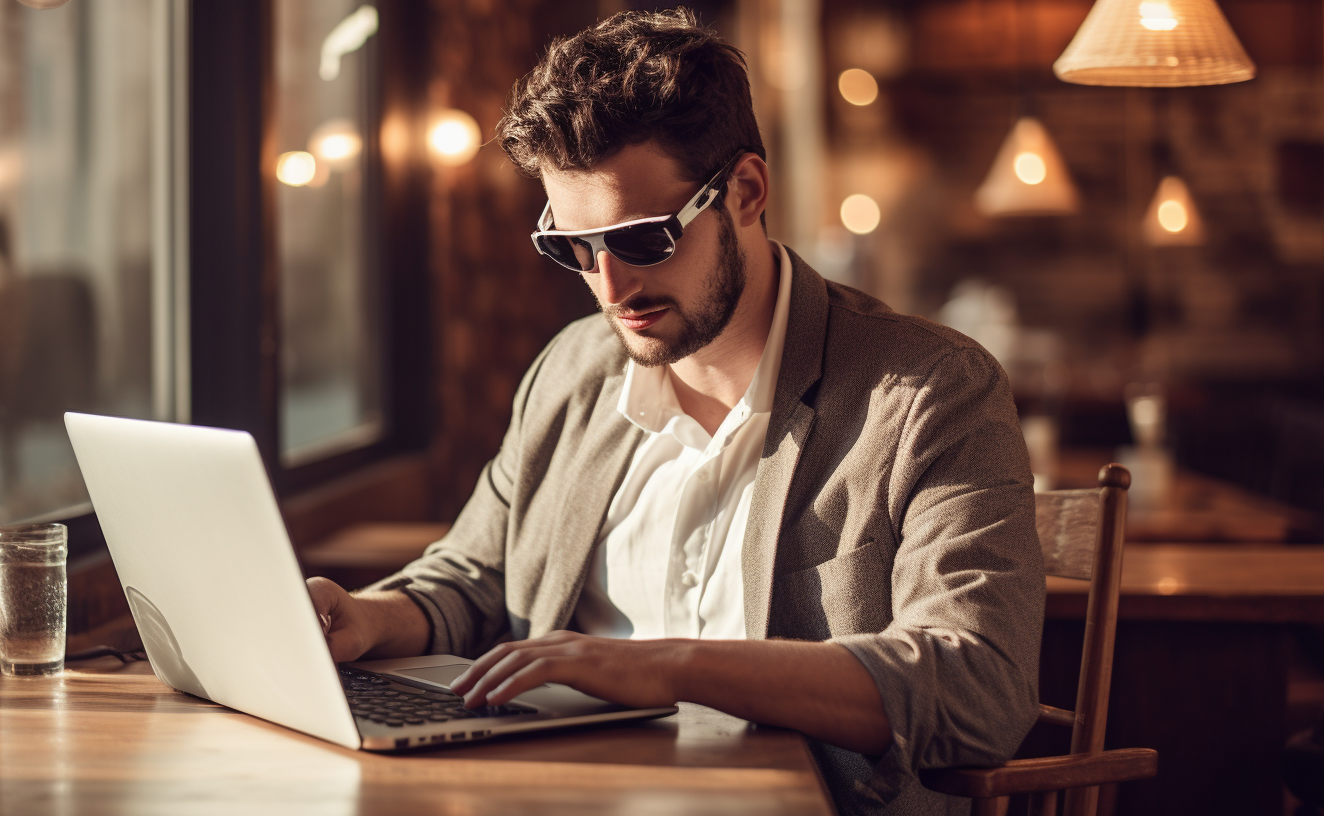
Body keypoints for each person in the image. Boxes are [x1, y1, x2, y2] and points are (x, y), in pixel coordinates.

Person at [307, 9, 1045, 813]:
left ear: (746, 192)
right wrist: (368, 619)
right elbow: (478, 578)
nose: (610, 287)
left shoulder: (928, 393)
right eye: (573, 248)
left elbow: (978, 686)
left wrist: (668, 666)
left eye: (645, 238)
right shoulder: (573, 371)